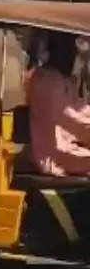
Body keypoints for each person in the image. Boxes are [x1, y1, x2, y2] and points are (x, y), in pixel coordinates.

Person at [27, 31, 90, 177]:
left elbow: (80, 111)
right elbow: (72, 121)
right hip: (54, 159)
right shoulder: (48, 80)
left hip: (70, 149)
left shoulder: (64, 79)